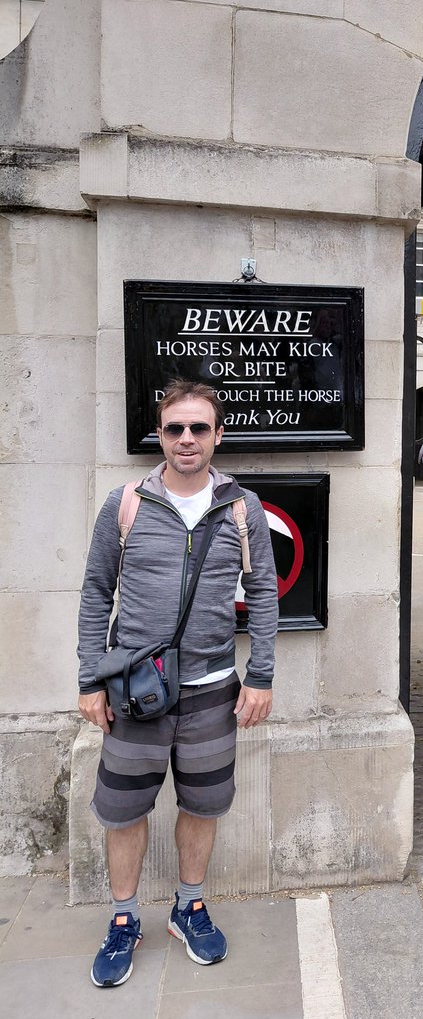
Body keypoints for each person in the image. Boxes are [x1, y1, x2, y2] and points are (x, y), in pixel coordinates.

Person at [77, 380, 278, 988]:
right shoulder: (125, 504)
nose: (186, 439)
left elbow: (264, 594)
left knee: (202, 804)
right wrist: (89, 679)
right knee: (123, 811)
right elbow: (96, 592)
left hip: (213, 689)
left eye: (198, 428)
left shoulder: (242, 508)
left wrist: (261, 675)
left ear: (218, 435)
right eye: (174, 428)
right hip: (135, 689)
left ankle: (189, 906)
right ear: (159, 435)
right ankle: (123, 917)